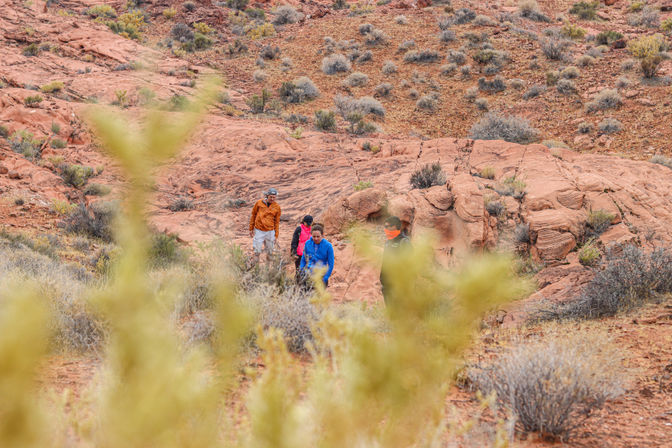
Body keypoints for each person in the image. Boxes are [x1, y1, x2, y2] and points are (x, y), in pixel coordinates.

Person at [380, 216, 410, 305]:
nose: (386, 229)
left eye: (388, 226)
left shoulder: (404, 242)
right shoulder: (388, 243)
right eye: (385, 227)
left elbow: (409, 262)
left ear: (396, 226)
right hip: (387, 282)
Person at [248, 188, 281, 267]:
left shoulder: (277, 207)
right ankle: (255, 269)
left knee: (270, 252)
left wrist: (276, 235)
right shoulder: (259, 203)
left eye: (274, 197)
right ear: (267, 196)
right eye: (271, 197)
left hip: (270, 231)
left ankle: (267, 270)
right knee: (257, 252)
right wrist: (251, 228)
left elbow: (277, 222)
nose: (272, 199)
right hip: (259, 230)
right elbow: (253, 215)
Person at [299, 224, 334, 288]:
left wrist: (325, 278)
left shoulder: (328, 246)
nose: (316, 238)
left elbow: (331, 264)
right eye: (314, 236)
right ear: (311, 235)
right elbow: (303, 259)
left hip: (321, 277)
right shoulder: (307, 243)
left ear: (322, 235)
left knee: (319, 297)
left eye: (318, 236)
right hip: (308, 275)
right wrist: (301, 271)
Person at [290, 215, 313, 281]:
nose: (308, 225)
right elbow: (294, 242)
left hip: (309, 254)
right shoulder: (299, 229)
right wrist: (293, 253)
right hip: (299, 255)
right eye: (307, 223)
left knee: (309, 272)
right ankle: (297, 287)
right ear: (304, 222)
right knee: (299, 271)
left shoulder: (312, 230)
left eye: (310, 223)